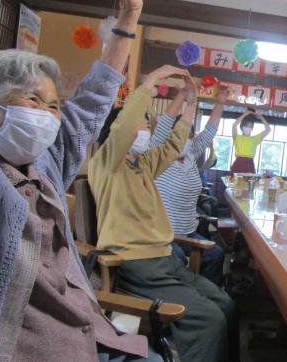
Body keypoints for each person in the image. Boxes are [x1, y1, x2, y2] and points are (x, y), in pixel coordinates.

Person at [0, 0, 160, 359]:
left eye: (53, 105)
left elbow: (94, 100)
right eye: (32, 99)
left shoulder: (46, 164)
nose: (47, 115)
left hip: (87, 334)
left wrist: (130, 15)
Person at [89, 67, 239, 362]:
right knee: (209, 319)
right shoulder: (106, 164)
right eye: (143, 123)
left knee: (227, 305)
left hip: (166, 258)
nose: (147, 128)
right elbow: (123, 128)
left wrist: (191, 101)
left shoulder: (142, 164)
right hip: (138, 265)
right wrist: (151, 81)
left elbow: (174, 143)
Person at [149, 82, 229, 286]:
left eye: (190, 135)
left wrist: (220, 103)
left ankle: (207, 294)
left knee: (216, 254)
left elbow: (210, 131)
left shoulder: (192, 154)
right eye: (180, 133)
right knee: (176, 259)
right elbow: (165, 122)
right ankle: (185, 296)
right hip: (162, 235)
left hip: (187, 232)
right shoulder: (159, 154)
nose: (185, 138)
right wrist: (182, 95)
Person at [230, 108, 271, 173]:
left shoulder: (255, 139)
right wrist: (245, 114)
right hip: (238, 164)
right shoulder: (237, 137)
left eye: (251, 126)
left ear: (252, 128)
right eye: (246, 126)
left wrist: (261, 117)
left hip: (250, 165)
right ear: (242, 126)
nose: (248, 128)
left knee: (250, 180)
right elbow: (234, 125)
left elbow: (268, 129)